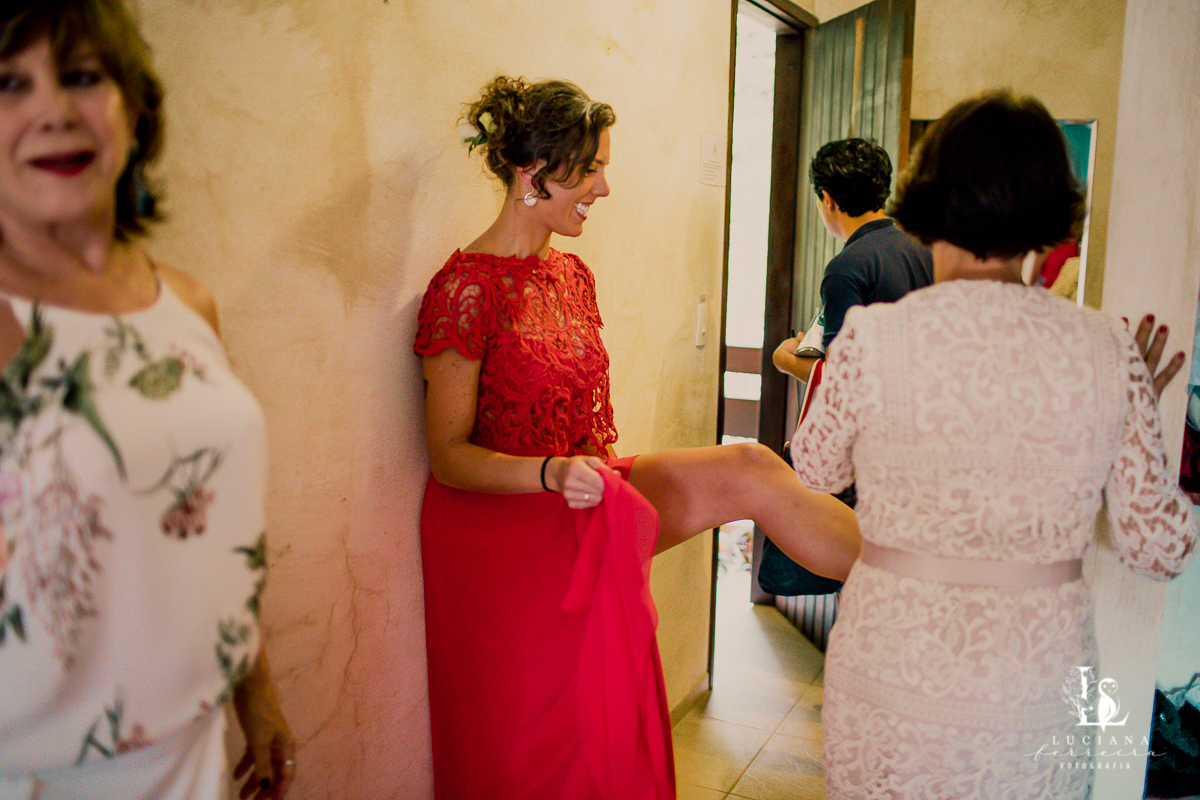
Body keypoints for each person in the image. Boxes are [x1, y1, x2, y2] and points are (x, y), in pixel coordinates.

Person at [415, 76, 860, 799]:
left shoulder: (572, 277)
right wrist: (551, 473)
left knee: (750, 465)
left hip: (580, 489)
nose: (604, 187)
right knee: (555, 748)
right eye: (590, 168)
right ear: (534, 174)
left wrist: (578, 471)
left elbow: (588, 426)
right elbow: (446, 456)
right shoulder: (465, 289)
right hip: (503, 523)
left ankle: (920, 582)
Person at [790, 89, 1197, 799]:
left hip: (893, 664)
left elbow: (814, 468)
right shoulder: (1105, 349)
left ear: (930, 195)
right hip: (1033, 681)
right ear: (1050, 211)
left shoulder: (872, 340)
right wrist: (1131, 408)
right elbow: (1158, 548)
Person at [0, 3, 294, 798]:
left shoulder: (185, 307)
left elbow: (215, 528)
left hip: (188, 755)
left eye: (83, 77)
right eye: (9, 85)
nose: (53, 111)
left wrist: (255, 693)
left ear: (132, 106)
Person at [772, 138, 932, 382]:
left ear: (828, 200)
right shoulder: (923, 248)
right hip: (925, 401)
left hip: (878, 413)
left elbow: (842, 379)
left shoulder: (845, 268)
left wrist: (785, 361)